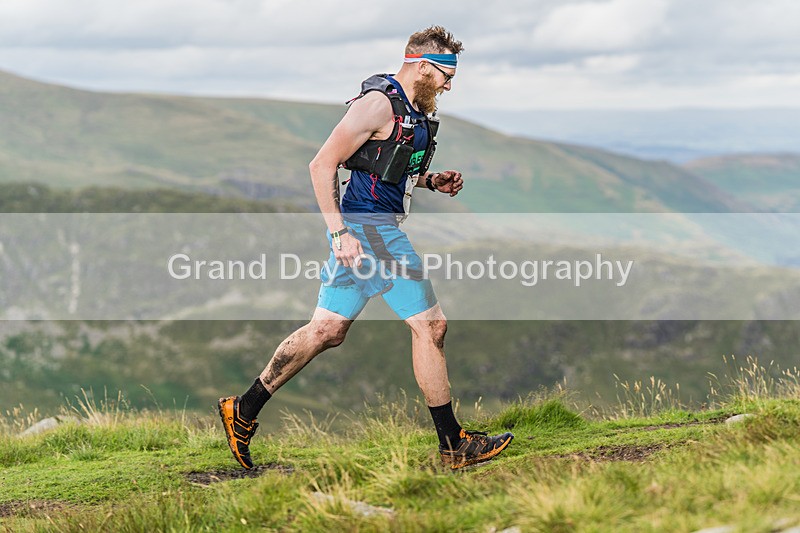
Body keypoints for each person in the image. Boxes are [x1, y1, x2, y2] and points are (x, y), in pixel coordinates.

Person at [218, 25, 513, 471]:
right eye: (445, 75)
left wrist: (431, 180)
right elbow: (321, 164)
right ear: (420, 65)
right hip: (368, 231)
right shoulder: (377, 104)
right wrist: (339, 234)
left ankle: (242, 411)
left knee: (326, 331)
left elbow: (380, 166)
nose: (449, 85)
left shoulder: (409, 109)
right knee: (431, 327)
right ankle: (453, 444)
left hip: (367, 230)